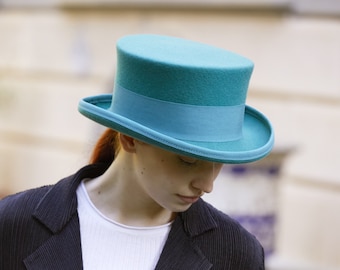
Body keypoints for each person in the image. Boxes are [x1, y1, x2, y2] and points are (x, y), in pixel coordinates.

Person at [0, 34, 274, 270]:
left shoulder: (235, 254)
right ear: (130, 138)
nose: (208, 184)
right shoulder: (13, 226)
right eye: (188, 159)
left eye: (219, 162)